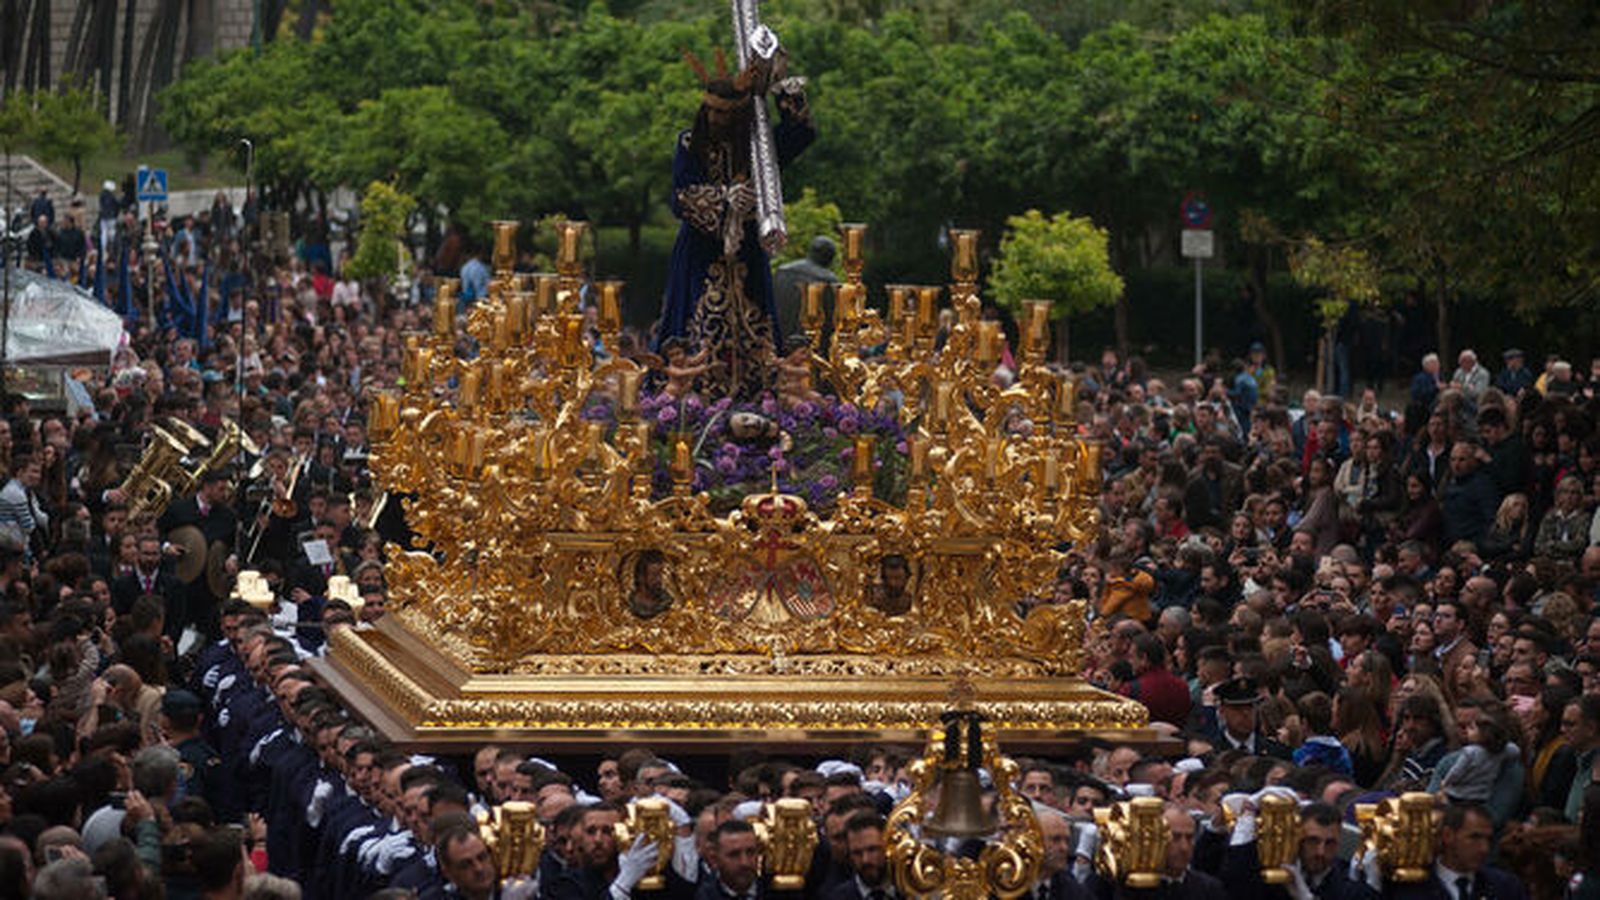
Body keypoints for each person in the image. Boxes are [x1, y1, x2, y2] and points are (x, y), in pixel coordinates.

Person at [658, 46, 815, 398]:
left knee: (754, 319)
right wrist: (724, 199)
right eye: (710, 111)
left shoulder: (758, 146)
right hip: (701, 249)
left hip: (747, 252)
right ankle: (689, 394)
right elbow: (681, 195)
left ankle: (758, 392)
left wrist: (782, 86)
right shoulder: (689, 142)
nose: (714, 120)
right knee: (695, 321)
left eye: (723, 114)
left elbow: (801, 134)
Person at [772, 237, 839, 342]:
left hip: (776, 338)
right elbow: (831, 320)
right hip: (809, 345)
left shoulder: (782, 270)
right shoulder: (828, 280)